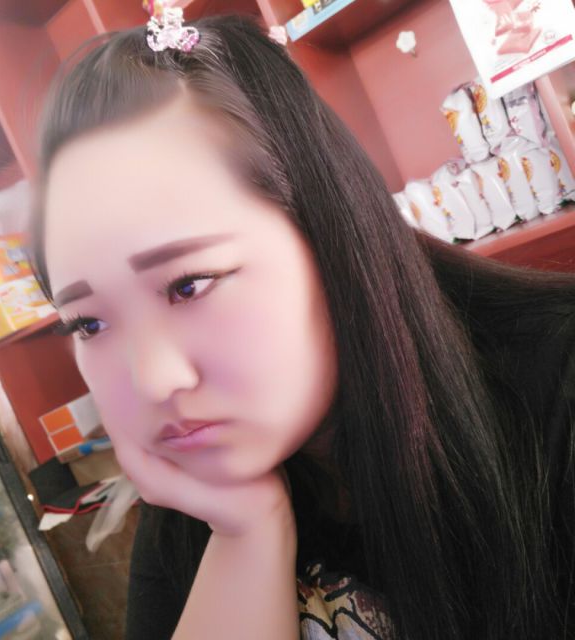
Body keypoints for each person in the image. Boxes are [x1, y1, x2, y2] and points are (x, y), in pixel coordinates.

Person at [29, 9, 575, 640]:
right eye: (89, 324)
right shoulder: (188, 499)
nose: (152, 381)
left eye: (188, 285)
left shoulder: (556, 395)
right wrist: (244, 534)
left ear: (327, 232)